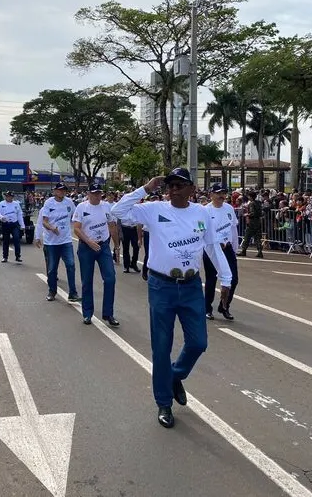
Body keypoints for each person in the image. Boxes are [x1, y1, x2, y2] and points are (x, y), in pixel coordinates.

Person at [112, 168, 232, 429]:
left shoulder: (201, 213)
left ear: (192, 188)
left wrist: (226, 278)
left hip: (190, 286)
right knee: (162, 347)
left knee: (198, 342)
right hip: (162, 286)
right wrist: (145, 188)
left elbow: (211, 246)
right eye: (170, 185)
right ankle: (164, 402)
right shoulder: (154, 210)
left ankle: (175, 376)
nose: (174, 189)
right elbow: (118, 212)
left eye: (180, 185)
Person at [72, 183, 120, 326]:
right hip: (87, 247)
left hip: (103, 246)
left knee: (110, 278)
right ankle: (87, 313)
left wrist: (117, 247)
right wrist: (89, 241)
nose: (97, 196)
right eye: (94, 193)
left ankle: (108, 313)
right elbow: (76, 228)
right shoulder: (82, 207)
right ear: (88, 194)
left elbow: (112, 226)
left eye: (99, 193)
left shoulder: (107, 207)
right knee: (87, 281)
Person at [35, 183, 80, 302]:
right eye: (59, 190)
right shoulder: (49, 203)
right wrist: (51, 228)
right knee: (52, 268)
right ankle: (52, 291)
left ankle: (73, 293)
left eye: (63, 190)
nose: (61, 192)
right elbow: (44, 221)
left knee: (71, 265)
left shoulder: (69, 202)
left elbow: (75, 217)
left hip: (66, 240)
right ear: (54, 191)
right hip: (51, 242)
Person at [203, 184, 239, 320]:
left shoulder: (229, 208)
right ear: (211, 194)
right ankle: (207, 308)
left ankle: (224, 306)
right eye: (218, 193)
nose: (221, 196)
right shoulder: (205, 211)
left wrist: (234, 248)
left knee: (233, 279)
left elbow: (233, 229)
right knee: (211, 279)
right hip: (212, 248)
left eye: (224, 193)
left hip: (227, 248)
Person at [0, 190, 25, 263]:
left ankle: (18, 256)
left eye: (10, 197)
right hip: (6, 224)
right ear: (6, 197)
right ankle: (5, 257)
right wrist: (1, 217)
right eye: (8, 196)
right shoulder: (1, 203)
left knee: (16, 239)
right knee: (6, 241)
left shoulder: (16, 204)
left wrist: (22, 225)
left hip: (14, 224)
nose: (9, 198)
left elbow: (19, 215)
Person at [239, 190, 264, 258]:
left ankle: (244, 250)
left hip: (252, 222)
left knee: (247, 236)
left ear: (250, 197)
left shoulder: (252, 204)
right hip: (258, 221)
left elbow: (253, 213)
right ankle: (259, 251)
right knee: (257, 237)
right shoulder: (259, 203)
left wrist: (247, 214)